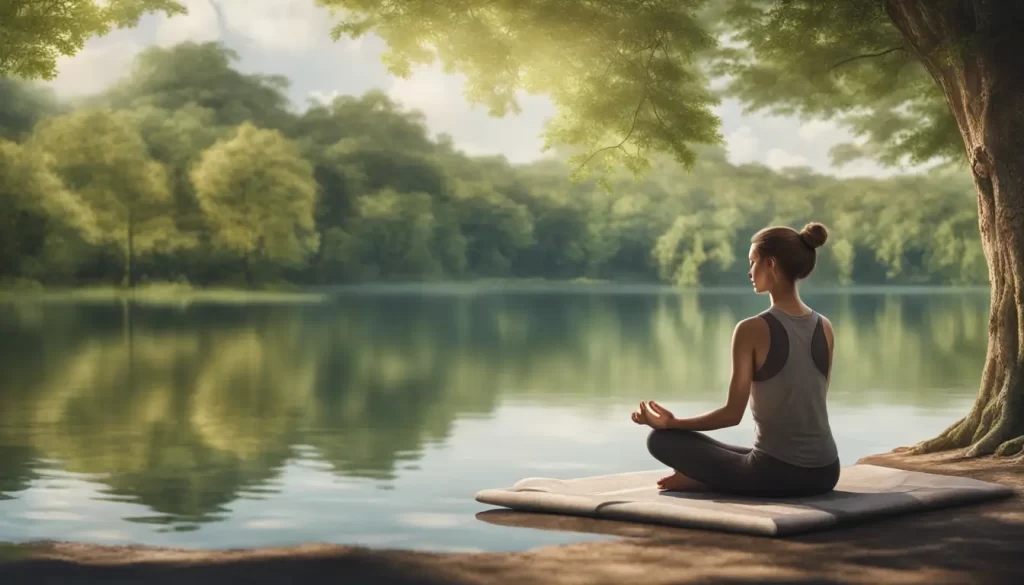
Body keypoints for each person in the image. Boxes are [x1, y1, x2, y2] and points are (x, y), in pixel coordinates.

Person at [631, 222, 840, 498]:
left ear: (771, 265)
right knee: (737, 452)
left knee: (661, 440)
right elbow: (812, 405)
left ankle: (704, 480)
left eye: (753, 262)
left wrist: (672, 424)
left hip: (778, 475)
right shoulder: (824, 326)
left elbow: (732, 414)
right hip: (826, 471)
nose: (749, 271)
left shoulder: (751, 330)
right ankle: (710, 477)